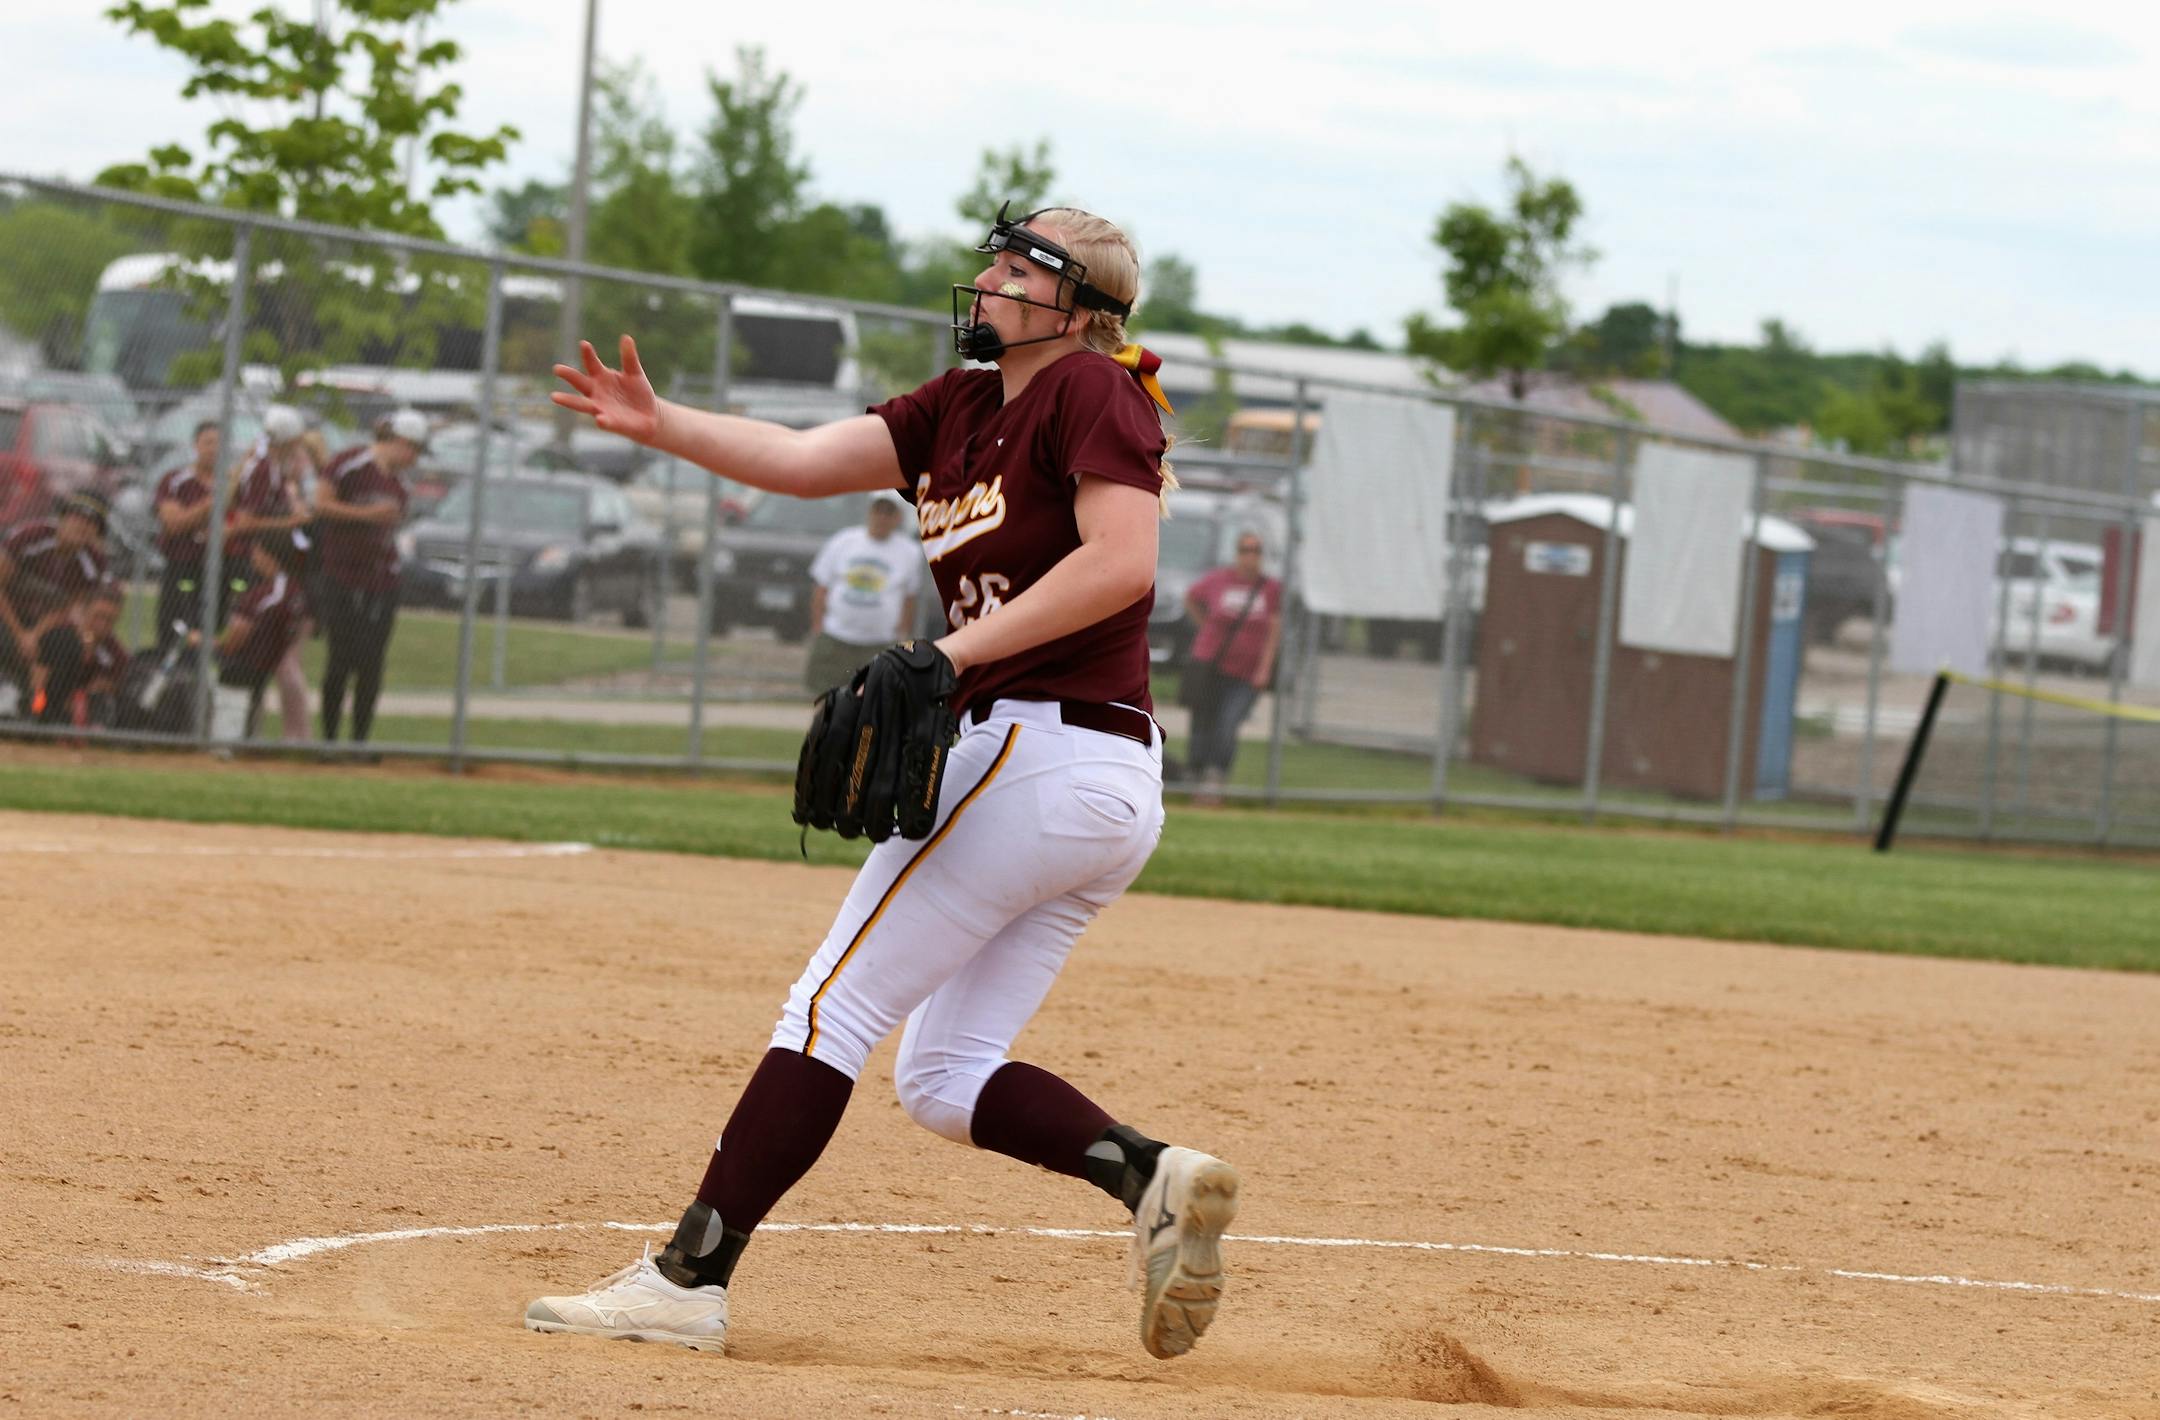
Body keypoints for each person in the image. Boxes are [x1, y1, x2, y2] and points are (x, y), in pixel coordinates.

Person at [528, 203, 1240, 1362]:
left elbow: (1123, 564)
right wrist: (660, 426)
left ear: (1084, 306)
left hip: (1041, 747)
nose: (987, 280)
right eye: (994, 262)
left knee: (828, 1008)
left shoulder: (1091, 390)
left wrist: (950, 655)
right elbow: (808, 463)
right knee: (943, 1072)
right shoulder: (959, 407)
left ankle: (688, 1280)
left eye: (1018, 269)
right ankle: (1155, 1174)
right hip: (1078, 777)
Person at [312, 410, 420, 745]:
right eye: (414, 450)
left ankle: (360, 740)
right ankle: (329, 740)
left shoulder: (400, 484)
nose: (415, 459)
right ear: (401, 442)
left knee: (372, 664)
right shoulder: (350, 464)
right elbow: (320, 505)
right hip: (342, 575)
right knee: (340, 660)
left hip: (382, 581)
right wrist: (367, 514)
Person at [225, 405, 318, 738]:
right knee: (253, 655)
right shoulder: (263, 468)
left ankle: (252, 731)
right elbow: (245, 523)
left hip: (267, 567)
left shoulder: (276, 467)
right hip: (250, 565)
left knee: (268, 657)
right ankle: (243, 732)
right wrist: (291, 521)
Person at [1180, 532, 1283, 802]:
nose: (1250, 556)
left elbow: (1274, 628)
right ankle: (1195, 774)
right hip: (1210, 665)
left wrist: (1265, 668)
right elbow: (1191, 597)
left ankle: (1215, 777)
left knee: (1228, 723)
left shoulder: (1269, 588)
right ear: (1237, 554)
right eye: (1245, 550)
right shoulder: (1219, 580)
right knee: (1203, 721)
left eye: (1256, 551)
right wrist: (1205, 626)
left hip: (1246, 673)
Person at [802, 489, 923, 693]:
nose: (882, 517)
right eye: (879, 510)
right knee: (825, 697)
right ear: (870, 512)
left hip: (880, 642)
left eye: (889, 512)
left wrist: (902, 634)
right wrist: (818, 627)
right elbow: (821, 588)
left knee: (873, 702)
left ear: (898, 517)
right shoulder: (843, 542)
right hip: (836, 637)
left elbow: (909, 599)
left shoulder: (910, 553)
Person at [0, 493, 110, 712]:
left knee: (71, 644)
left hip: (43, 623)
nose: (83, 527)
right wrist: (20, 634)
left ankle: (46, 716)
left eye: (92, 524)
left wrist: (35, 635)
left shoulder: (92, 562)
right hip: (7, 615)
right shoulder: (31, 537)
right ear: (62, 518)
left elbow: (69, 608)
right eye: (77, 518)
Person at [211, 529, 310, 740]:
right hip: (263, 665)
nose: (252, 556)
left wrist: (204, 642)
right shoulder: (294, 588)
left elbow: (234, 639)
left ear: (269, 555)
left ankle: (228, 739)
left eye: (256, 551)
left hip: (244, 665)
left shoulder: (270, 593)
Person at [151, 420, 220, 648]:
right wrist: (211, 504)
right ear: (196, 445)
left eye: (220, 443)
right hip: (181, 565)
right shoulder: (175, 480)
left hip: (218, 568)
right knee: (173, 628)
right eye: (208, 442)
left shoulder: (231, 483)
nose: (214, 448)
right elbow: (174, 524)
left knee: (210, 630)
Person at [28, 579, 127, 727]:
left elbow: (117, 679)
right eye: (98, 616)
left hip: (81, 706)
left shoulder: (113, 649)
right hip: (46, 698)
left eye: (109, 620)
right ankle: (35, 721)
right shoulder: (64, 634)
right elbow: (39, 676)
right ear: (85, 611)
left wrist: (101, 687)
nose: (102, 624)